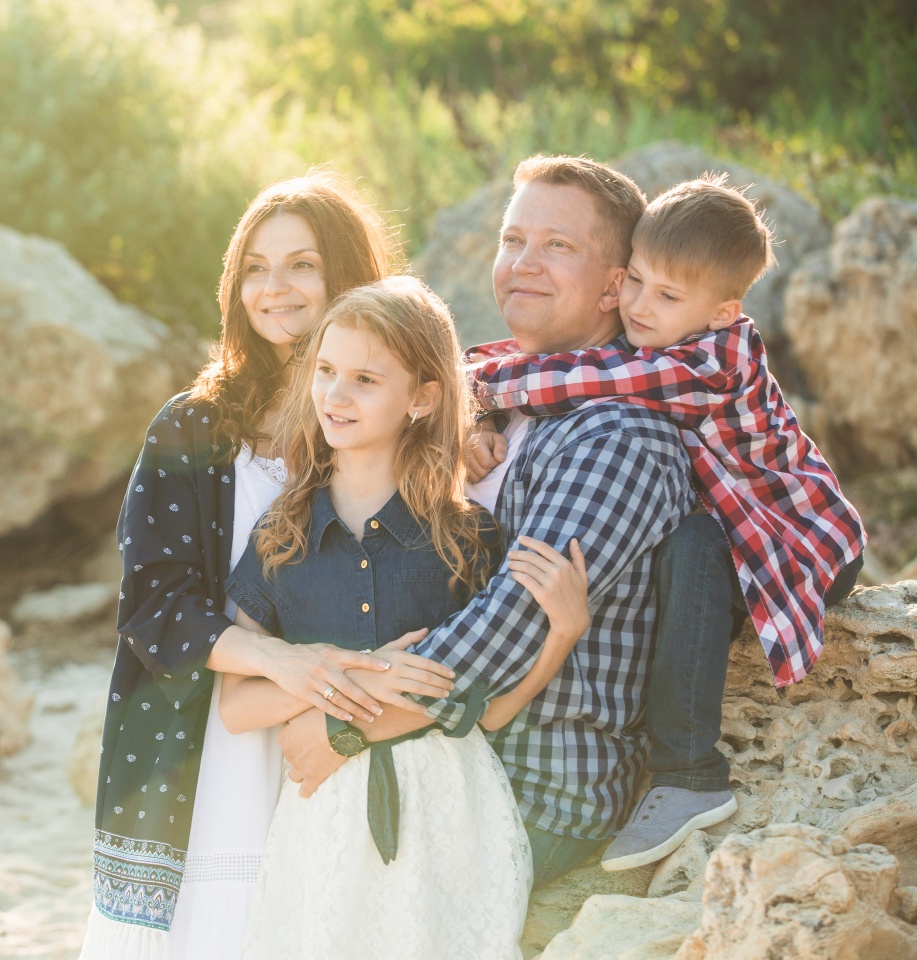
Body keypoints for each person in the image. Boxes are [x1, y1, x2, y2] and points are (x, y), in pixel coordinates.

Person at [276, 155, 696, 889]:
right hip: (444, 747)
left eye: (557, 246)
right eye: (512, 241)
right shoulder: (503, 399)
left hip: (534, 786)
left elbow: (515, 619)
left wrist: (348, 721)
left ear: (616, 284)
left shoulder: (620, 434)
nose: (523, 264)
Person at [465, 173, 867, 871]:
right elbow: (565, 366)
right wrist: (470, 410)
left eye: (666, 295)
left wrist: (465, 392)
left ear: (722, 310)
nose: (641, 309)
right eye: (639, 285)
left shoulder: (704, 361)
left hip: (797, 535)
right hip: (737, 521)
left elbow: (588, 379)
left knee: (694, 551)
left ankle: (688, 773)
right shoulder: (643, 345)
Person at [80, 171, 418, 959]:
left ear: (347, 274)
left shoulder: (383, 420)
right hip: (206, 745)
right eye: (256, 268)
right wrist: (285, 662)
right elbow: (152, 606)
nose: (276, 288)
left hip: (350, 726)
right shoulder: (193, 427)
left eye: (303, 263)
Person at [218, 276, 589, 958]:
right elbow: (237, 704)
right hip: (323, 813)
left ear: (422, 398)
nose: (335, 395)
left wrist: (562, 635)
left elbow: (490, 712)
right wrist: (356, 680)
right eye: (326, 371)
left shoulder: (465, 537)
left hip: (454, 811)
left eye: (365, 379)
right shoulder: (283, 535)